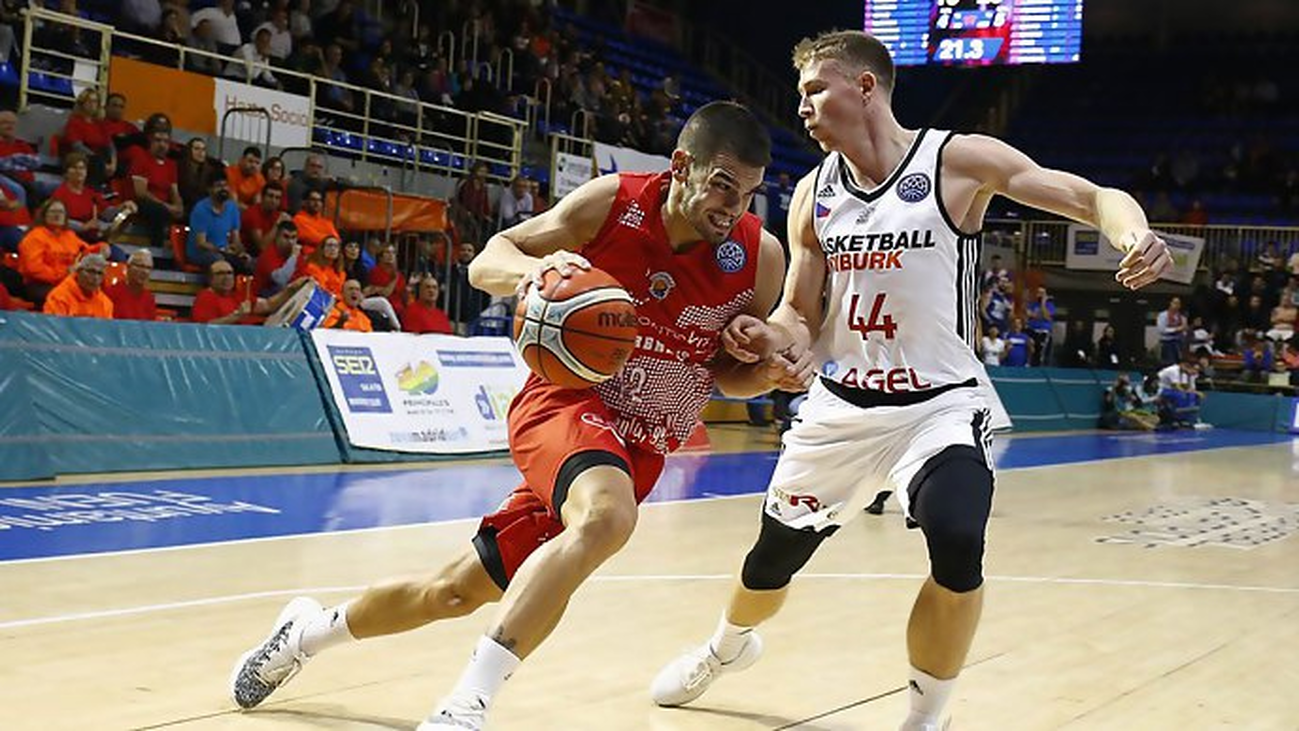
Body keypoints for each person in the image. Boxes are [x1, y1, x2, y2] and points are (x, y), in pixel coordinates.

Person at [648, 31, 1172, 731]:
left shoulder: (955, 160)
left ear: (864, 87)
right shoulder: (813, 192)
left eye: (813, 90)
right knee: (771, 558)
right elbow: (801, 312)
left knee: (957, 538)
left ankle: (926, 717)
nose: (801, 106)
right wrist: (770, 337)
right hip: (842, 406)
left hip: (939, 404)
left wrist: (1132, 235)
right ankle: (725, 645)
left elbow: (1090, 195)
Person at [227, 100, 793, 730]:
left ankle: (303, 635)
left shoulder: (758, 257)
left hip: (644, 439)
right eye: (721, 185)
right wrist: (536, 267)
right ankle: (466, 706)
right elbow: (487, 259)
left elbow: (728, 376)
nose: (733, 206)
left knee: (455, 591)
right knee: (608, 518)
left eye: (748, 193)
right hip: (568, 402)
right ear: (682, 165)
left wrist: (761, 367)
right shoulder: (611, 203)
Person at [43, 253, 113, 318]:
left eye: (100, 273)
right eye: (91, 271)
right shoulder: (58, 297)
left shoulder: (106, 304)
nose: (95, 278)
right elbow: (54, 329)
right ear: (79, 271)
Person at [105, 249, 157, 321]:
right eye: (140, 266)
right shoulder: (112, 293)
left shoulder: (149, 299)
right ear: (128, 267)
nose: (145, 271)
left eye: (148, 268)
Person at [1025, 285, 1056, 366]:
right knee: (1030, 350)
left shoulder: (1050, 305)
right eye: (1038, 292)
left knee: (1041, 352)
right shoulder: (1032, 304)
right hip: (1031, 330)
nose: (1040, 294)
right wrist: (1040, 315)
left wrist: (1043, 304)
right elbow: (1029, 315)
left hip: (1043, 332)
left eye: (1042, 293)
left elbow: (1047, 317)